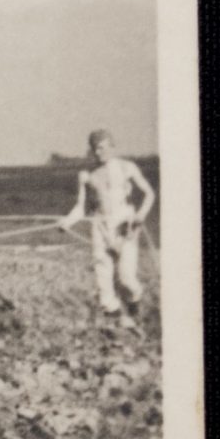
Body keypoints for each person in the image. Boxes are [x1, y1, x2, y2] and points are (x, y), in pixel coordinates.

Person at [57, 129, 156, 331]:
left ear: (112, 147)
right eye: (95, 148)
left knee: (127, 279)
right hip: (99, 226)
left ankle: (135, 308)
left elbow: (149, 194)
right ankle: (116, 326)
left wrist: (141, 215)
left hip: (125, 225)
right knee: (104, 282)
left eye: (102, 147)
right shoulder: (86, 175)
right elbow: (81, 207)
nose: (99, 152)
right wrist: (67, 222)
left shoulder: (127, 167)